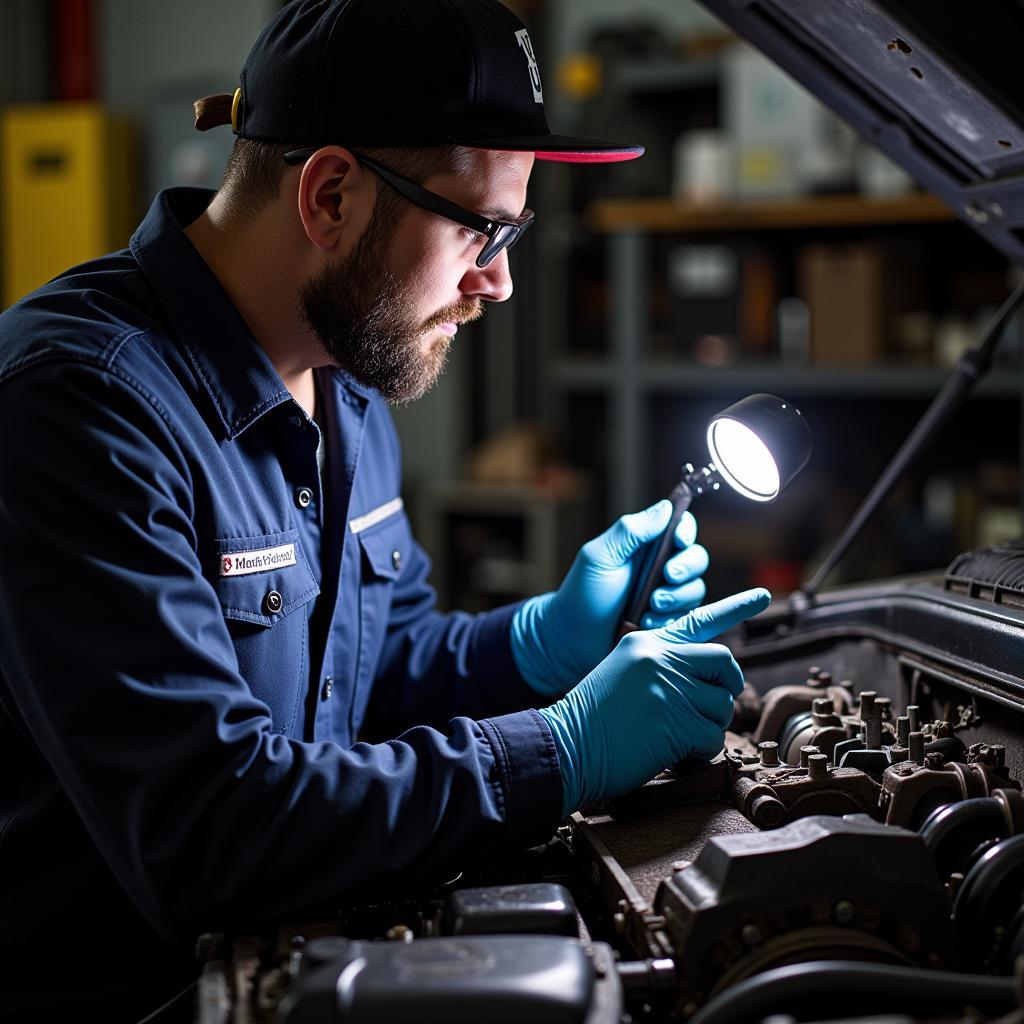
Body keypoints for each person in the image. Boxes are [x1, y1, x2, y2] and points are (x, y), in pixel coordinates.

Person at [0, 0, 769, 1018]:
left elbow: (374, 670)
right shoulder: (78, 404)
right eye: (479, 228)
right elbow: (207, 832)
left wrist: (535, 646)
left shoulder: (344, 382)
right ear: (330, 195)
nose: (496, 281)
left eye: (515, 231)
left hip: (305, 947)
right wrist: (561, 750)